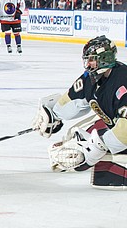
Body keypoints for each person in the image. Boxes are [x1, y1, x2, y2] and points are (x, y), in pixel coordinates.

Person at [32, 35, 127, 189]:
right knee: (83, 135)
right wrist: (53, 114)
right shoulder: (90, 79)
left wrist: (100, 146)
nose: (87, 64)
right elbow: (70, 102)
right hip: (116, 125)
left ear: (104, 58)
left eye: (91, 59)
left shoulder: (123, 81)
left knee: (98, 144)